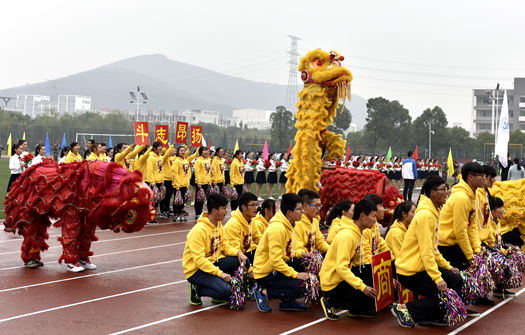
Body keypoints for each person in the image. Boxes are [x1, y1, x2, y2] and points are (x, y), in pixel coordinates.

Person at [392, 176, 462, 327]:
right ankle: (404, 308)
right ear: (432, 192)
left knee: (456, 279)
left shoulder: (434, 212)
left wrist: (448, 267)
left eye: (446, 189)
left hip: (421, 267)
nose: (447, 193)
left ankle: (434, 315)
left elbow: (433, 248)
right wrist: (437, 278)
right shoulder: (426, 215)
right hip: (410, 271)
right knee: (442, 295)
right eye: (443, 189)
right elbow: (426, 252)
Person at [183, 193, 249, 305]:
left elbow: (225, 246)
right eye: (224, 208)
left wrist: (238, 253)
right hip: (197, 270)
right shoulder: (198, 231)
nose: (226, 211)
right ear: (214, 210)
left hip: (214, 262)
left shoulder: (218, 225)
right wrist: (220, 274)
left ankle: (220, 289)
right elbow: (199, 261)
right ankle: (197, 288)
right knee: (228, 291)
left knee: (244, 261)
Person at [319, 199, 379, 320]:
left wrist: (384, 277)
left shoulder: (359, 233)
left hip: (343, 277)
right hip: (333, 282)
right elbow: (341, 267)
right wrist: (363, 287)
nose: (375, 220)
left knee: (376, 293)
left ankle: (355, 309)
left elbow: (362, 261)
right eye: (373, 216)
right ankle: (330, 300)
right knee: (368, 297)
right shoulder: (347, 236)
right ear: (362, 216)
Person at [253, 193, 310, 313]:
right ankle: (263, 291)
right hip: (265, 273)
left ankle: (286, 301)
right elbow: (275, 261)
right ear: (289, 212)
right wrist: (295, 274)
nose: (302, 212)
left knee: (304, 264)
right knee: (302, 287)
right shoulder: (277, 229)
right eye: (299, 209)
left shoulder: (289, 224)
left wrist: (301, 254)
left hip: (275, 267)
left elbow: (286, 252)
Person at [438, 162, 484, 271]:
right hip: (446, 245)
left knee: (483, 266)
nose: (484, 178)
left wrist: (477, 250)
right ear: (471, 177)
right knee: (468, 275)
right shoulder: (461, 198)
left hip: (457, 242)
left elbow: (472, 226)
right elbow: (460, 231)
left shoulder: (473, 195)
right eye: (481, 176)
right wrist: (470, 257)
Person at [292, 189, 329, 267]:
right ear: (305, 206)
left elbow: (320, 243)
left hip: (312, 256)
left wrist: (333, 250)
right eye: (316, 205)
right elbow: (298, 249)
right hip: (302, 259)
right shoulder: (297, 223)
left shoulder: (314, 221)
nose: (319, 208)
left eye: (320, 205)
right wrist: (311, 253)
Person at [224, 192, 260, 266]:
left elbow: (258, 238)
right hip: (238, 255)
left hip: (249, 251)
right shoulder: (233, 224)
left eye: (256, 205)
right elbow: (235, 250)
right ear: (243, 207)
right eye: (253, 205)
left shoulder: (251, 220)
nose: (256, 208)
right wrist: (250, 269)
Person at [172, 145, 191, 222]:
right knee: (177, 201)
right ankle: (176, 215)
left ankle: (180, 214)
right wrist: (177, 184)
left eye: (184, 150)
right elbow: (175, 173)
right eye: (181, 151)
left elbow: (188, 173)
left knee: (182, 201)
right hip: (178, 185)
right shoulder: (176, 161)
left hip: (184, 184)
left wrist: (187, 184)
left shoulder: (185, 161)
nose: (183, 152)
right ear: (178, 152)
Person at [194, 146, 212, 219]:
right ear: (201, 152)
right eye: (204, 150)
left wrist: (209, 181)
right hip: (201, 182)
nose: (206, 152)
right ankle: (198, 213)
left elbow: (209, 171)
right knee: (199, 199)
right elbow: (197, 172)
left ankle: (203, 212)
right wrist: (198, 182)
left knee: (206, 199)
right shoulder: (198, 160)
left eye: (206, 150)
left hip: (207, 182)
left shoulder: (208, 160)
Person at [159, 144, 175, 217]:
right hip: (165, 179)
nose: (172, 151)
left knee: (168, 196)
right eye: (171, 150)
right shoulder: (163, 158)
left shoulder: (171, 158)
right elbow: (166, 155)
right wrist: (169, 147)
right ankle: (163, 210)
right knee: (164, 196)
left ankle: (167, 209)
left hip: (171, 179)